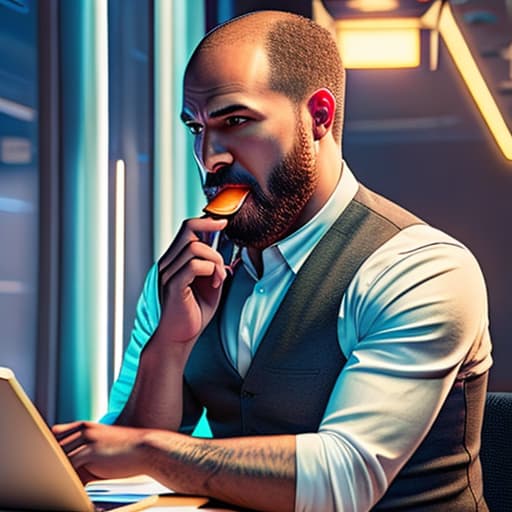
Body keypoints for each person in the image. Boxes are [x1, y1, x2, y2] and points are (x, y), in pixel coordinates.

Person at [53, 10, 493, 512]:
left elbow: (341, 482)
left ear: (319, 117)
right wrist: (168, 347)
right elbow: (118, 465)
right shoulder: (185, 274)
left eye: (234, 121)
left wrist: (146, 450)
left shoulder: (421, 269)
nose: (209, 156)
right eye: (195, 127)